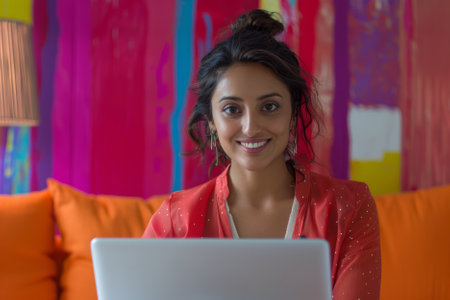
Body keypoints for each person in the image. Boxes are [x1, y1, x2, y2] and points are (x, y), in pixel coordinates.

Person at [142, 9, 381, 299]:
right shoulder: (175, 218)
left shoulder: (349, 209)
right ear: (212, 122)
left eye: (269, 107)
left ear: (293, 112)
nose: (251, 127)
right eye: (232, 109)